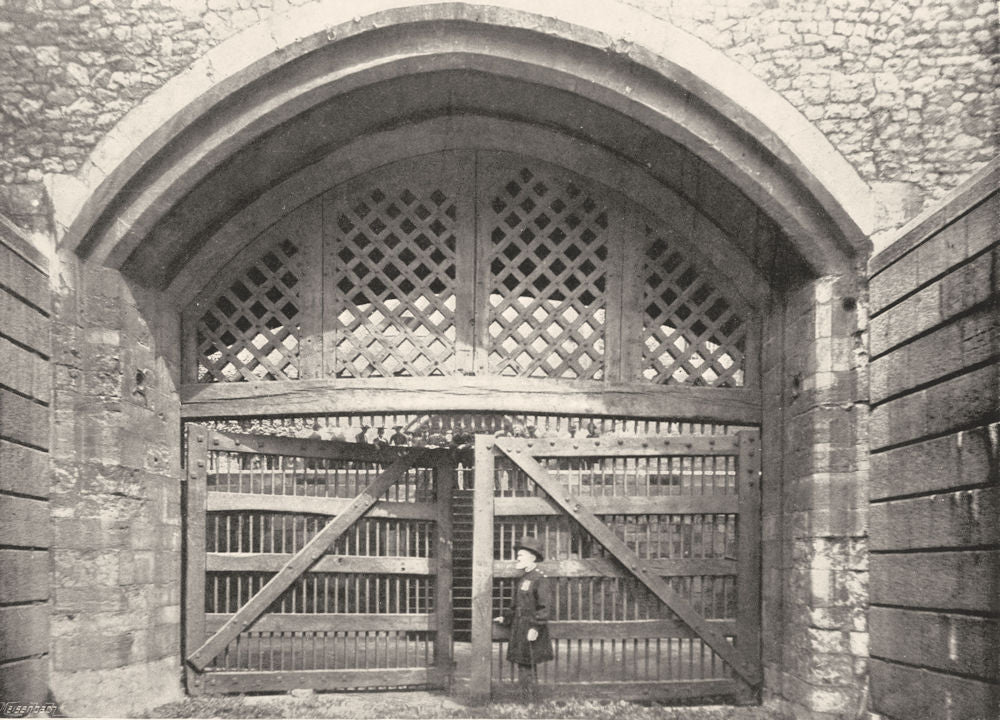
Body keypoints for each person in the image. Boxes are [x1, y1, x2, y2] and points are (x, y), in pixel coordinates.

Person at [493, 535, 553, 702]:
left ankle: (528, 702)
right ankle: (528, 700)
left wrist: (535, 627)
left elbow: (544, 607)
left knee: (528, 665)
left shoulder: (540, 579)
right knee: (524, 664)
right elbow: (516, 604)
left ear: (532, 557)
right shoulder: (524, 578)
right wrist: (505, 618)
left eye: (520, 556)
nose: (517, 559)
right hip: (520, 627)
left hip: (530, 628)